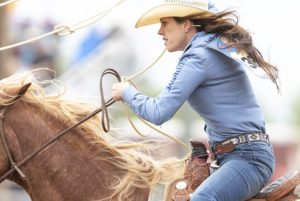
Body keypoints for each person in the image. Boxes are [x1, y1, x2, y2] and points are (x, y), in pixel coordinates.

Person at [111, 0, 278, 200]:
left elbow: (158, 112)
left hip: (245, 159)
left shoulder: (199, 56)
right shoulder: (213, 47)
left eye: (165, 23)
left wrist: (126, 92)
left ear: (187, 24)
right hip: (240, 156)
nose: (160, 31)